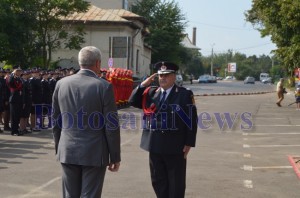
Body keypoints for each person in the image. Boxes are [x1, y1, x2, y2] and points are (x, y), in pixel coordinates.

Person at [52, 46, 121, 198]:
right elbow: (111, 125)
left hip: (67, 149)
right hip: (94, 151)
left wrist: (59, 147)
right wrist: (115, 156)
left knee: (70, 194)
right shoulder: (103, 86)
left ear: (80, 62)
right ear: (97, 63)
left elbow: (56, 120)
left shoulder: (61, 84)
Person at [129, 61, 198, 198]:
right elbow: (132, 101)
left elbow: (191, 120)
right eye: (160, 75)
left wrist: (189, 142)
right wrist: (143, 85)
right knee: (158, 181)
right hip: (154, 145)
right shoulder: (151, 92)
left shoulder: (184, 94)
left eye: (166, 75)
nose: (163, 78)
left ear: (174, 77)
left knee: (176, 183)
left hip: (175, 146)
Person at [7, 66, 24, 136]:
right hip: (13, 99)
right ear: (14, 71)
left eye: (20, 71)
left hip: (19, 99)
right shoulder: (11, 77)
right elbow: (10, 83)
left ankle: (16, 130)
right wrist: (12, 74)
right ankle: (13, 131)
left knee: (17, 116)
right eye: (18, 71)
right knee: (13, 116)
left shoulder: (19, 78)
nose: (19, 72)